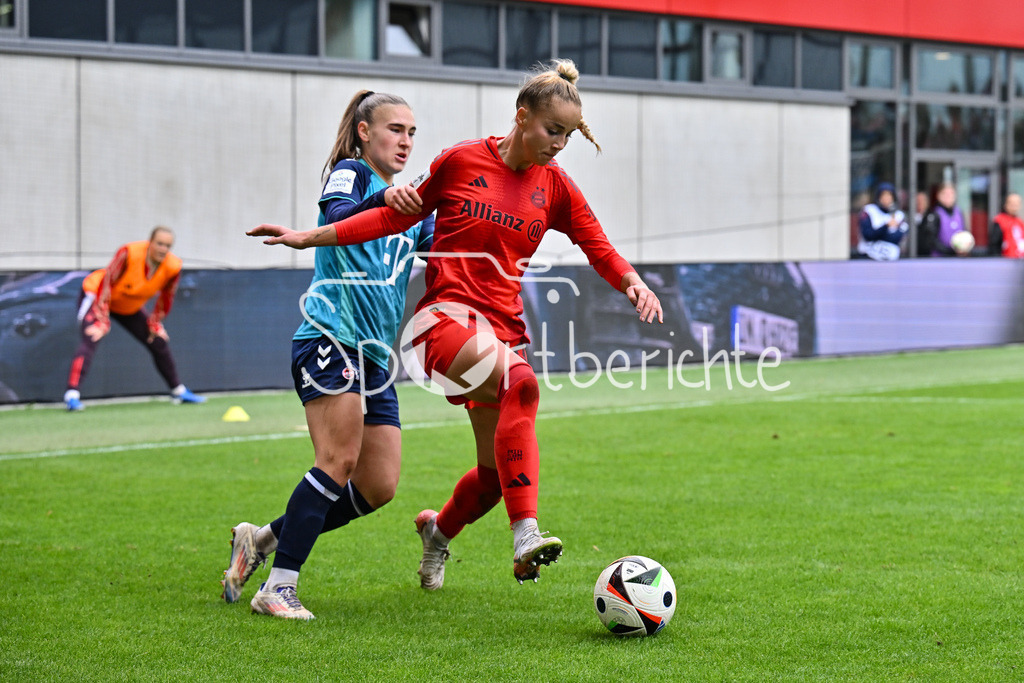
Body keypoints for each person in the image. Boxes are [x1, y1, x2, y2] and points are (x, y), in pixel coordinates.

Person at [248, 59, 664, 593]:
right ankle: (525, 533)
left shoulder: (556, 187)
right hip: (443, 323)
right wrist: (310, 237)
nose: (560, 143)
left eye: (567, 135)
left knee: (493, 478)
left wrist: (631, 281)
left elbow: (596, 244)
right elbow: (389, 216)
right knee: (523, 383)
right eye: (552, 130)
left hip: (499, 331)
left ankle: (438, 533)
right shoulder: (462, 160)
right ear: (522, 117)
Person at [224, 90, 432, 620]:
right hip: (329, 335)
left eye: (411, 132)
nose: (405, 140)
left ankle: (262, 537)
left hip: (375, 356)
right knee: (336, 461)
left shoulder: (410, 200)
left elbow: (444, 245)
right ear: (365, 132)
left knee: (378, 485)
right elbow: (338, 214)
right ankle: (278, 587)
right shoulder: (351, 172)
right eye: (394, 129)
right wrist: (385, 202)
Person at [63, 227, 205, 411]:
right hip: (97, 296)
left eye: (167, 245)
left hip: (127, 305)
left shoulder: (173, 266)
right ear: (150, 242)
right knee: (92, 336)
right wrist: (102, 319)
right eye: (159, 243)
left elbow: (166, 297)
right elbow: (107, 282)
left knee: (158, 340)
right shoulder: (129, 253)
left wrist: (155, 322)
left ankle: (178, 391)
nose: (163, 249)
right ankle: (72, 395)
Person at [856, 182, 909, 261]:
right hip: (868, 258)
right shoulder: (869, 211)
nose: (886, 198)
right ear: (878, 196)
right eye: (883, 195)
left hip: (891, 260)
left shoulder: (899, 215)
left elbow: (897, 238)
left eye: (889, 195)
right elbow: (868, 235)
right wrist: (886, 226)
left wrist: (879, 235)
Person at [918, 182, 970, 257]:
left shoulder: (959, 212)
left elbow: (964, 232)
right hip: (940, 259)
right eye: (945, 194)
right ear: (939, 196)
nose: (948, 197)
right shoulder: (935, 214)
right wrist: (950, 252)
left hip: (958, 258)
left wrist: (965, 247)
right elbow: (931, 240)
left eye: (951, 194)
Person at [990, 193, 1024, 258]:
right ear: (1006, 204)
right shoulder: (999, 220)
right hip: (1006, 261)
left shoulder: (1020, 223)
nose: (1014, 205)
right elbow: (994, 245)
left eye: (1017, 203)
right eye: (1012, 203)